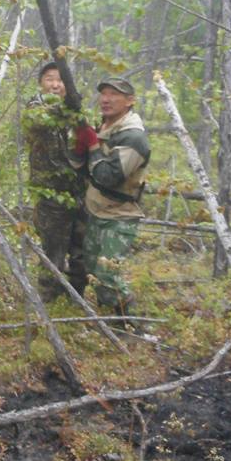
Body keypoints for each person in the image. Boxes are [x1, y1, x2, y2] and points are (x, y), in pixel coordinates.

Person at [72, 76, 150, 315]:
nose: (106, 100)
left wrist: (93, 145)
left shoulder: (133, 137)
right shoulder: (104, 126)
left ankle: (132, 324)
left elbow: (107, 177)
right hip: (95, 211)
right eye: (104, 94)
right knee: (93, 273)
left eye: (114, 95)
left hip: (119, 217)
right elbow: (83, 165)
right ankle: (112, 319)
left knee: (107, 277)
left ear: (130, 101)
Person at [24, 62, 87, 300]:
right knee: (54, 251)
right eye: (50, 78)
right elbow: (37, 121)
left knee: (80, 248)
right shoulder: (35, 107)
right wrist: (67, 108)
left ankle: (76, 297)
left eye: (61, 80)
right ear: (41, 83)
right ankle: (49, 301)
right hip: (50, 195)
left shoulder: (74, 112)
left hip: (78, 192)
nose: (55, 84)